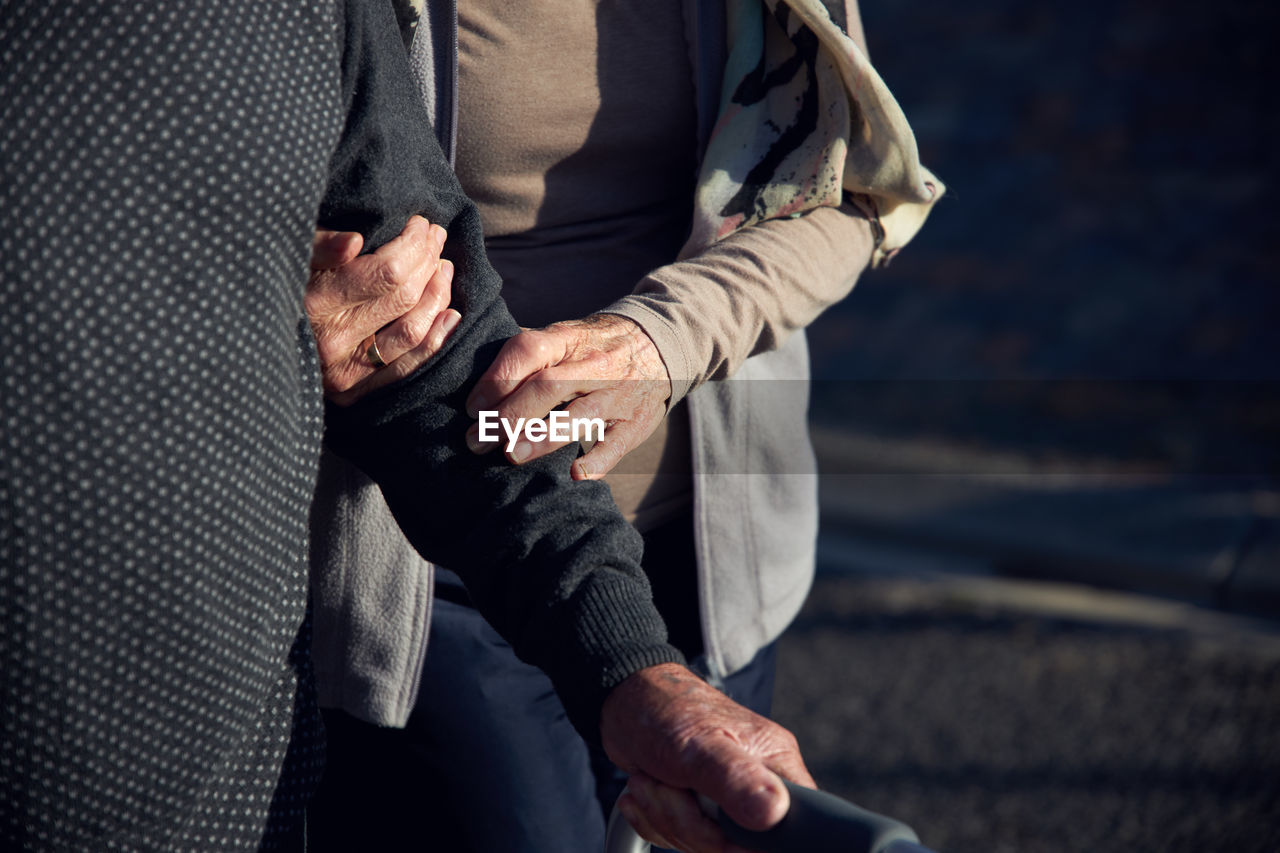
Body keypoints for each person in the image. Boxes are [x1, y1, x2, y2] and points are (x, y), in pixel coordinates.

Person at [0, 1, 816, 850]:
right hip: (411, 586)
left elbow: (428, 362)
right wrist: (269, 325)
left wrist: (636, 670)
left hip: (232, 787)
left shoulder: (312, 20)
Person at [307, 0, 943, 850]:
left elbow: (847, 186)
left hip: (708, 558)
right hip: (432, 568)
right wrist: (278, 307)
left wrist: (665, 338)